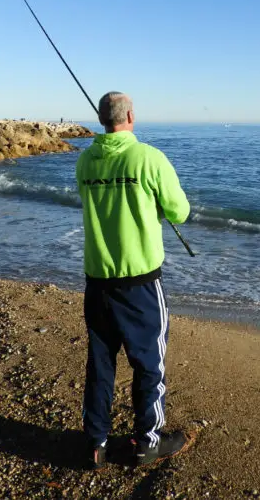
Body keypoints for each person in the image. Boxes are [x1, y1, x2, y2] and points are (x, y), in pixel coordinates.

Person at [75, 92, 192, 469]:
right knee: (149, 365)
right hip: (140, 282)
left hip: (97, 280)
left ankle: (96, 443)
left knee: (101, 365)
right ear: (130, 116)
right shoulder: (147, 157)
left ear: (101, 118)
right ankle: (147, 442)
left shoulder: (86, 160)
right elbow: (180, 210)